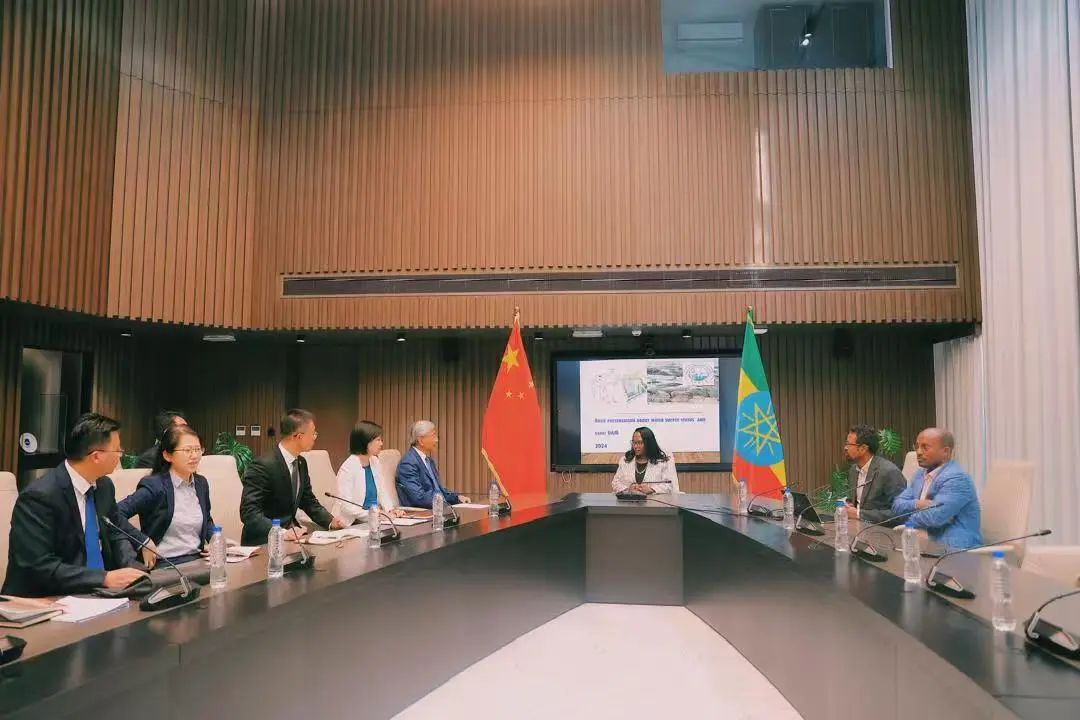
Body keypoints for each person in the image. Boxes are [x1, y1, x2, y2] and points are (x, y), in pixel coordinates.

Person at [2, 413, 147, 597]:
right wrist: (103, 578)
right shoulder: (39, 497)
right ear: (96, 457)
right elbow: (37, 566)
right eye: (118, 451)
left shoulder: (104, 486)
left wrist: (132, 570)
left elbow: (116, 532)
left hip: (97, 594)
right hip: (44, 598)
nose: (121, 456)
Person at [239, 408, 344, 545]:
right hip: (264, 542)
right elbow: (249, 513)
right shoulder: (263, 465)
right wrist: (281, 532)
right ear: (299, 436)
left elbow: (308, 501)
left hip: (293, 539)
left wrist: (331, 521)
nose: (315, 437)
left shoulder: (301, 462)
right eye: (313, 433)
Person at [117, 424, 214, 566]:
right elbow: (116, 513)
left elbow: (207, 519)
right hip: (166, 564)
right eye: (187, 450)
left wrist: (215, 540)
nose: (194, 456)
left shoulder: (201, 483)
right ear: (167, 455)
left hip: (199, 561)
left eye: (197, 449)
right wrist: (143, 541)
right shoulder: (155, 486)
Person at [892, 428, 982, 549]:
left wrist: (908, 522)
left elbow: (935, 517)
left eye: (925, 447)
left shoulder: (956, 478)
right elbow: (897, 505)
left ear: (945, 451)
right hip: (924, 540)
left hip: (955, 546)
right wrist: (918, 504)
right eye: (917, 446)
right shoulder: (919, 475)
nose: (918, 452)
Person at [333, 421, 405, 525]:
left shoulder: (374, 461)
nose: (381, 444)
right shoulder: (348, 468)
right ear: (365, 442)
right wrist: (375, 515)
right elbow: (346, 506)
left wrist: (390, 510)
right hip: (353, 523)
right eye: (378, 440)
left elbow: (382, 491)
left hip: (374, 520)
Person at [396, 421, 471, 509]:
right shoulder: (408, 463)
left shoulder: (429, 461)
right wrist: (446, 505)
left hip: (437, 509)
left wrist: (457, 498)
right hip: (423, 513)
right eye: (433, 436)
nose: (436, 440)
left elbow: (438, 490)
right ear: (421, 440)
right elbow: (419, 497)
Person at [841, 424, 906, 524]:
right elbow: (858, 503)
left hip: (880, 530)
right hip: (857, 526)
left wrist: (859, 514)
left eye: (849, 444)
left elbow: (900, 514)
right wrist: (848, 505)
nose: (845, 448)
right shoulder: (853, 470)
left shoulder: (889, 472)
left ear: (863, 448)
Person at [611, 427, 679, 495]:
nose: (635, 446)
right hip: (630, 500)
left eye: (640, 443)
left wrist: (652, 489)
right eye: (634, 442)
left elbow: (669, 485)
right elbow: (615, 483)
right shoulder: (625, 461)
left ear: (649, 443)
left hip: (654, 500)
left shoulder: (661, 462)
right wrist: (628, 489)